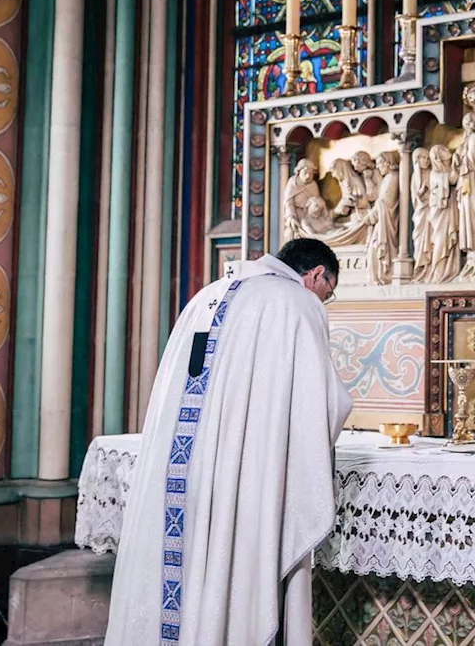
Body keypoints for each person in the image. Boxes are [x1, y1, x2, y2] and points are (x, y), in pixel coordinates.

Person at [104, 238, 352, 646]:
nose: (324, 300)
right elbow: (323, 404)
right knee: (230, 562)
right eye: (329, 291)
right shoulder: (295, 302)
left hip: (181, 470)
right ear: (315, 275)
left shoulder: (207, 296)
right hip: (240, 474)